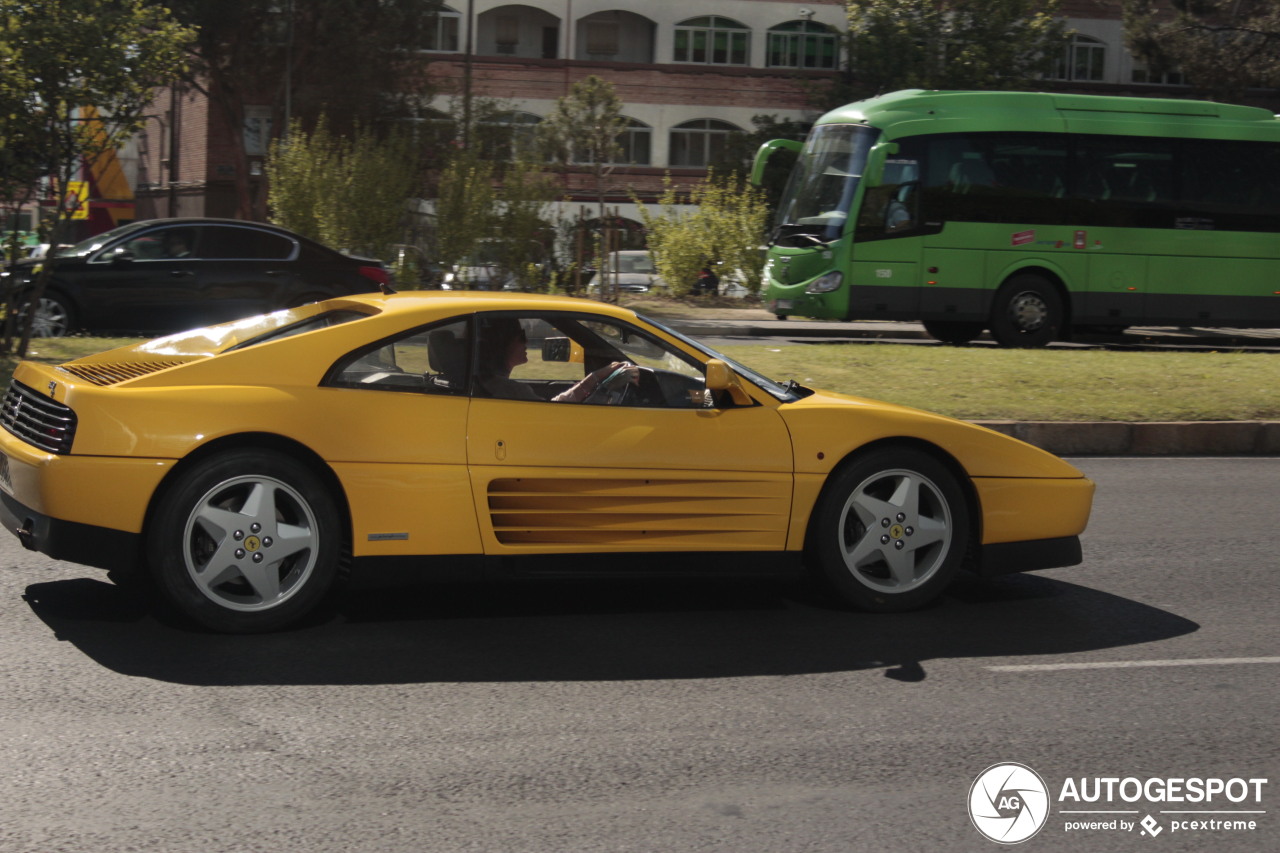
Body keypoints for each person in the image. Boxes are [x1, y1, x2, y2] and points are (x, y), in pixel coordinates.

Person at [476, 318, 638, 403]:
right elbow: (556, 410)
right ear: (503, 343)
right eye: (521, 336)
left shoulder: (490, 386)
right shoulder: (510, 391)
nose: (526, 342)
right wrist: (595, 378)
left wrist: (595, 377)